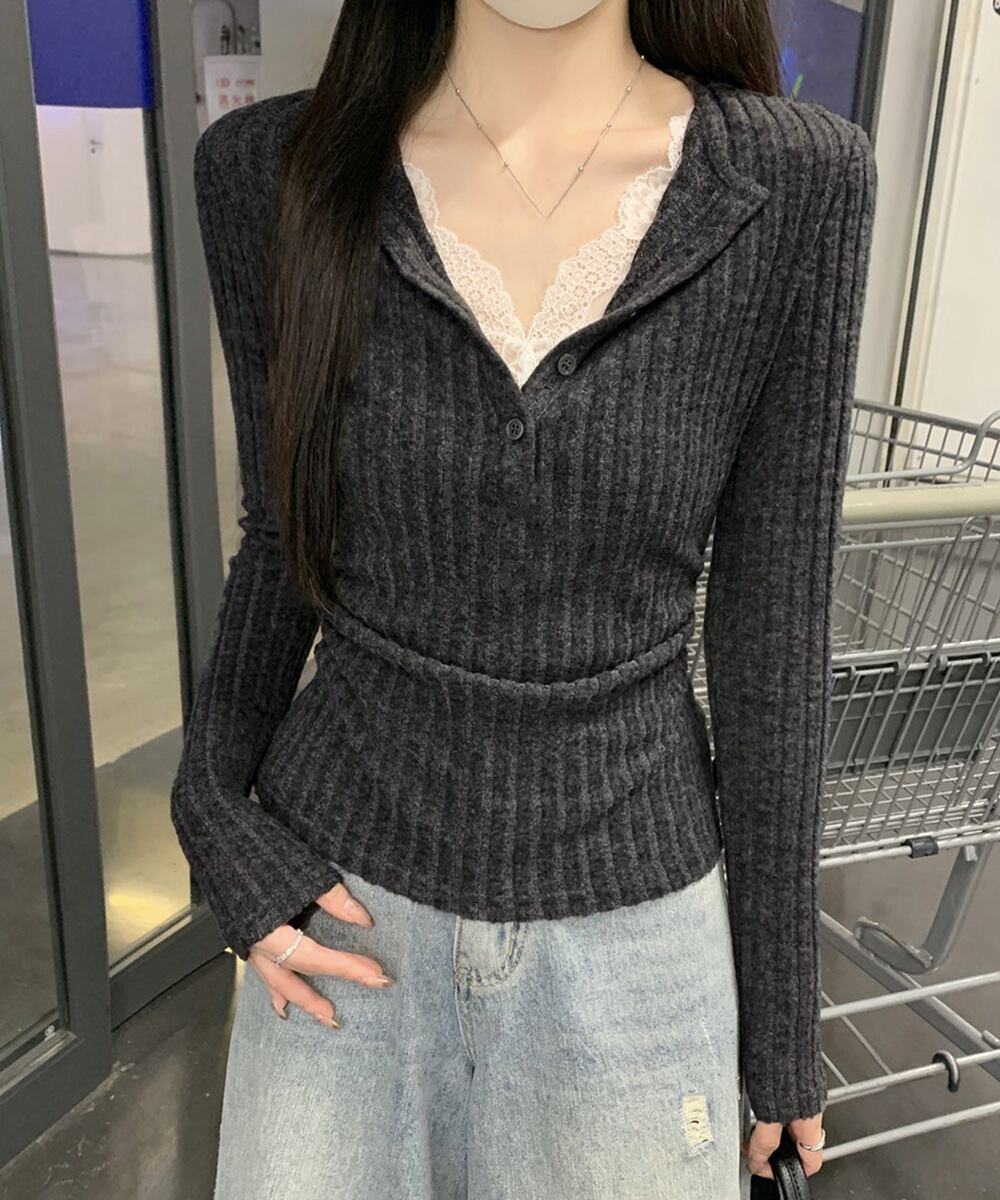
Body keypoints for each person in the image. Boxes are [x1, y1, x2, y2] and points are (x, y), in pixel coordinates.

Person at [170, 1, 878, 1195]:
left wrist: (779, 1034)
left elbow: (771, 624)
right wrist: (208, 809)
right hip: (339, 917)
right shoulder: (270, 173)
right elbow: (283, 534)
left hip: (636, 939)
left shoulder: (794, 183)